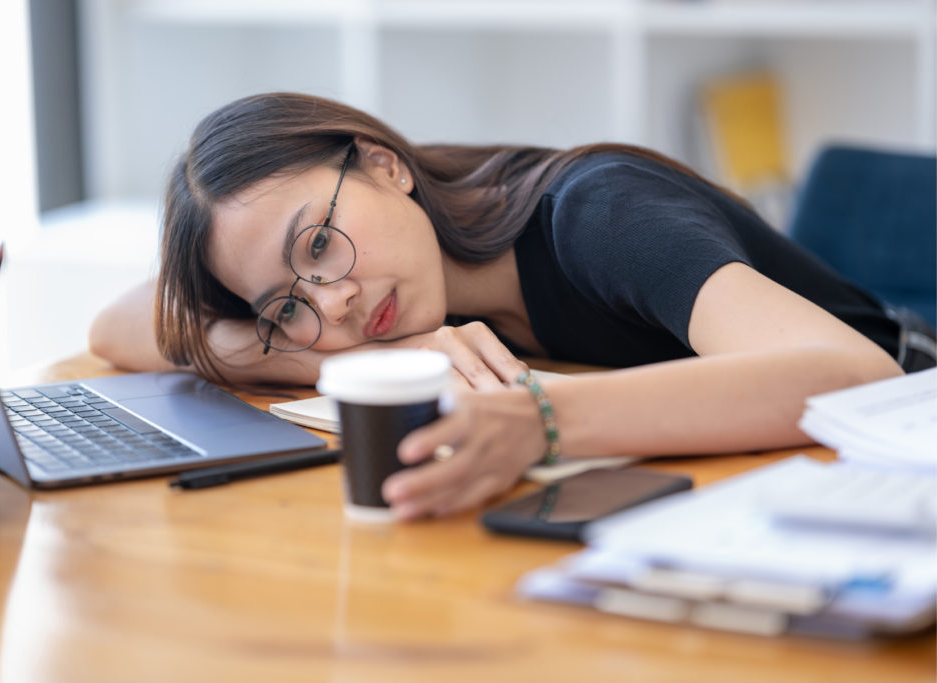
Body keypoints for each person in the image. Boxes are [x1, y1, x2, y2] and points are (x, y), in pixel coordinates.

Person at [89, 92, 933, 521]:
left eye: (317, 243)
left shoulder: (598, 213)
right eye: (285, 301)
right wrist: (344, 356)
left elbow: (851, 374)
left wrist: (540, 416)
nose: (335, 300)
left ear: (384, 166)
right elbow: (120, 323)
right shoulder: (375, 311)